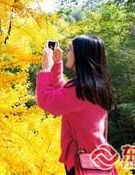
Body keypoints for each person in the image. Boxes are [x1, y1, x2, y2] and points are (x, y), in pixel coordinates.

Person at [35, 35, 116, 175]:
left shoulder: (80, 90)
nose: (68, 52)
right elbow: (64, 96)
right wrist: (57, 63)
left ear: (80, 55)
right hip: (98, 158)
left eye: (70, 49)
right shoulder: (95, 86)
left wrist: (46, 69)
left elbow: (47, 100)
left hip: (82, 163)